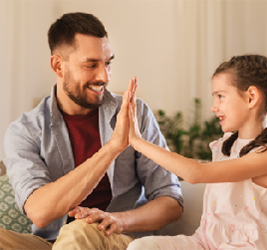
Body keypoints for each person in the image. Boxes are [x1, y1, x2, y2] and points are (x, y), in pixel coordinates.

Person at [1, 12, 183, 250]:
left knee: (78, 232)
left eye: (107, 63)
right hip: (50, 244)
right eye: (91, 65)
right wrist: (112, 148)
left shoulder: (134, 115)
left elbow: (171, 202)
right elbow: (40, 212)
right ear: (58, 65)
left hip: (116, 239)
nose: (104, 76)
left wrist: (118, 220)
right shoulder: (24, 130)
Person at [123, 54, 267, 250]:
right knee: (142, 247)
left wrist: (137, 142)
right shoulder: (226, 147)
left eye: (221, 96)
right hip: (206, 243)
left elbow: (196, 173)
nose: (214, 107)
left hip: (245, 246)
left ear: (251, 97)